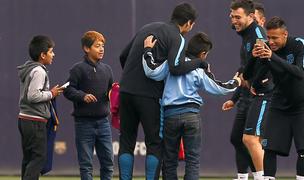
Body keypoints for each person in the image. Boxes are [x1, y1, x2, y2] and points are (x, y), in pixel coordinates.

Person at [118, 3, 207, 180]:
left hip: (126, 91)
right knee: (154, 143)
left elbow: (122, 56)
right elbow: (176, 67)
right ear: (189, 23)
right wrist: (199, 63)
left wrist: (131, 80)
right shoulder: (177, 37)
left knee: (127, 141)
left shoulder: (147, 28)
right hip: (149, 96)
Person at [143, 32, 241, 180]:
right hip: (191, 116)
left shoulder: (171, 63)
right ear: (203, 54)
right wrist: (236, 82)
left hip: (171, 115)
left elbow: (152, 71)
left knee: (169, 160)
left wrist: (148, 50)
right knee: (192, 160)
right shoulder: (199, 69)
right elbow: (220, 88)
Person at [252, 16, 304, 180]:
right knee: (270, 148)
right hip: (278, 104)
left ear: (285, 34)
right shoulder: (267, 49)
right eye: (269, 37)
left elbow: (300, 73)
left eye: (275, 38)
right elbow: (255, 72)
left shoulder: (299, 44)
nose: (271, 41)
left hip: (302, 105)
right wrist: (255, 61)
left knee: (303, 150)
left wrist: (272, 56)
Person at [222, 0, 274, 179]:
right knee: (238, 138)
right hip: (247, 94)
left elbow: (266, 61)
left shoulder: (257, 33)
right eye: (231, 16)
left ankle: (262, 177)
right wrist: (235, 96)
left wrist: (255, 82)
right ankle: (251, 176)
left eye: (237, 17)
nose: (233, 20)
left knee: (250, 139)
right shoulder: (245, 33)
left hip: (261, 93)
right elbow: (246, 68)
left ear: (251, 17)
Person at [63, 31, 114, 180]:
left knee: (108, 163)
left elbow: (111, 91)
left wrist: (114, 92)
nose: (101, 49)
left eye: (103, 46)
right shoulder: (77, 69)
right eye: (97, 46)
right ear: (86, 48)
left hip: (103, 123)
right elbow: (68, 90)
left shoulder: (107, 69)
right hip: (84, 123)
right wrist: (82, 96)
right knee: (86, 165)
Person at [18, 35, 64, 180]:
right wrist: (51, 93)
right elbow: (33, 96)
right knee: (38, 158)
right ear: (42, 55)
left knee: (29, 158)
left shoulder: (31, 69)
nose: (53, 54)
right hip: (35, 121)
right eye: (51, 52)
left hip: (25, 119)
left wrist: (50, 94)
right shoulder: (39, 71)